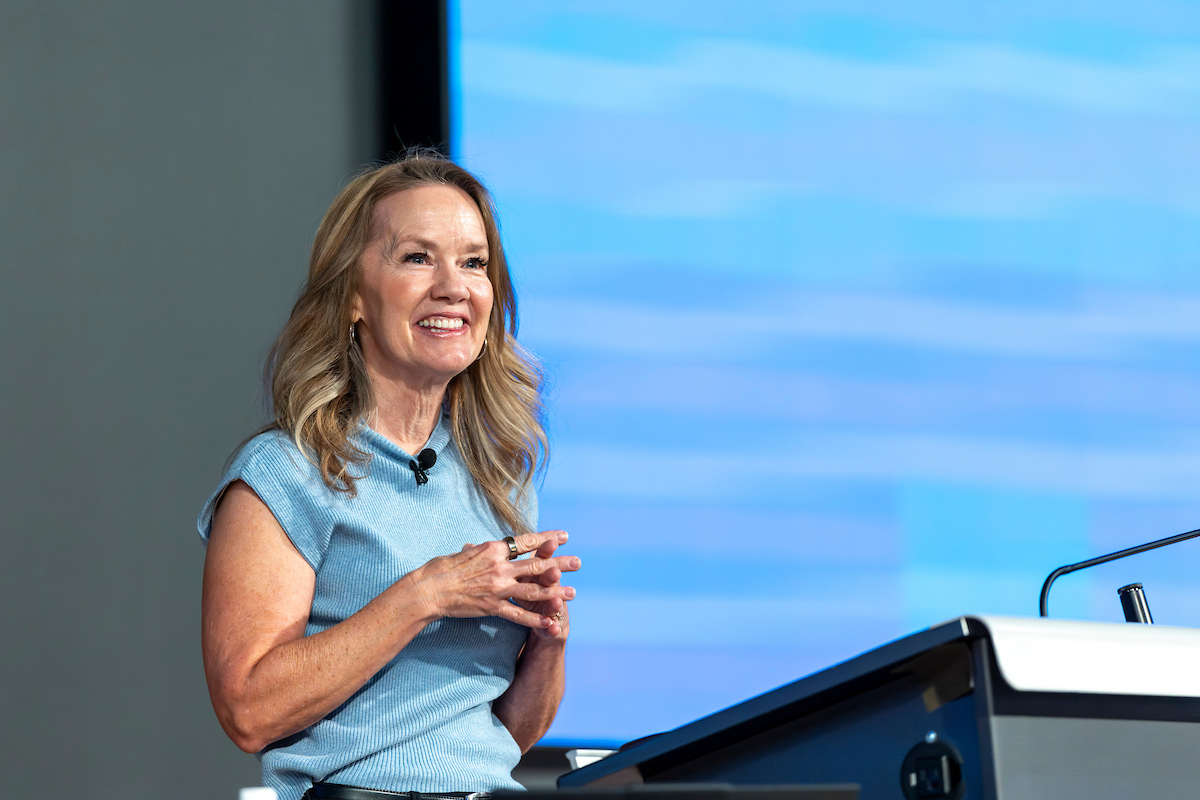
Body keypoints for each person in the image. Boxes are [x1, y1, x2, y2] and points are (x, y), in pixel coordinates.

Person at [197, 152, 580, 800]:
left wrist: (547, 642)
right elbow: (249, 711)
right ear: (353, 296)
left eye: (473, 262)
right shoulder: (285, 474)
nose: (453, 286)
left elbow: (503, 735)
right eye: (416, 258)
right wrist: (427, 594)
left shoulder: (498, 475)